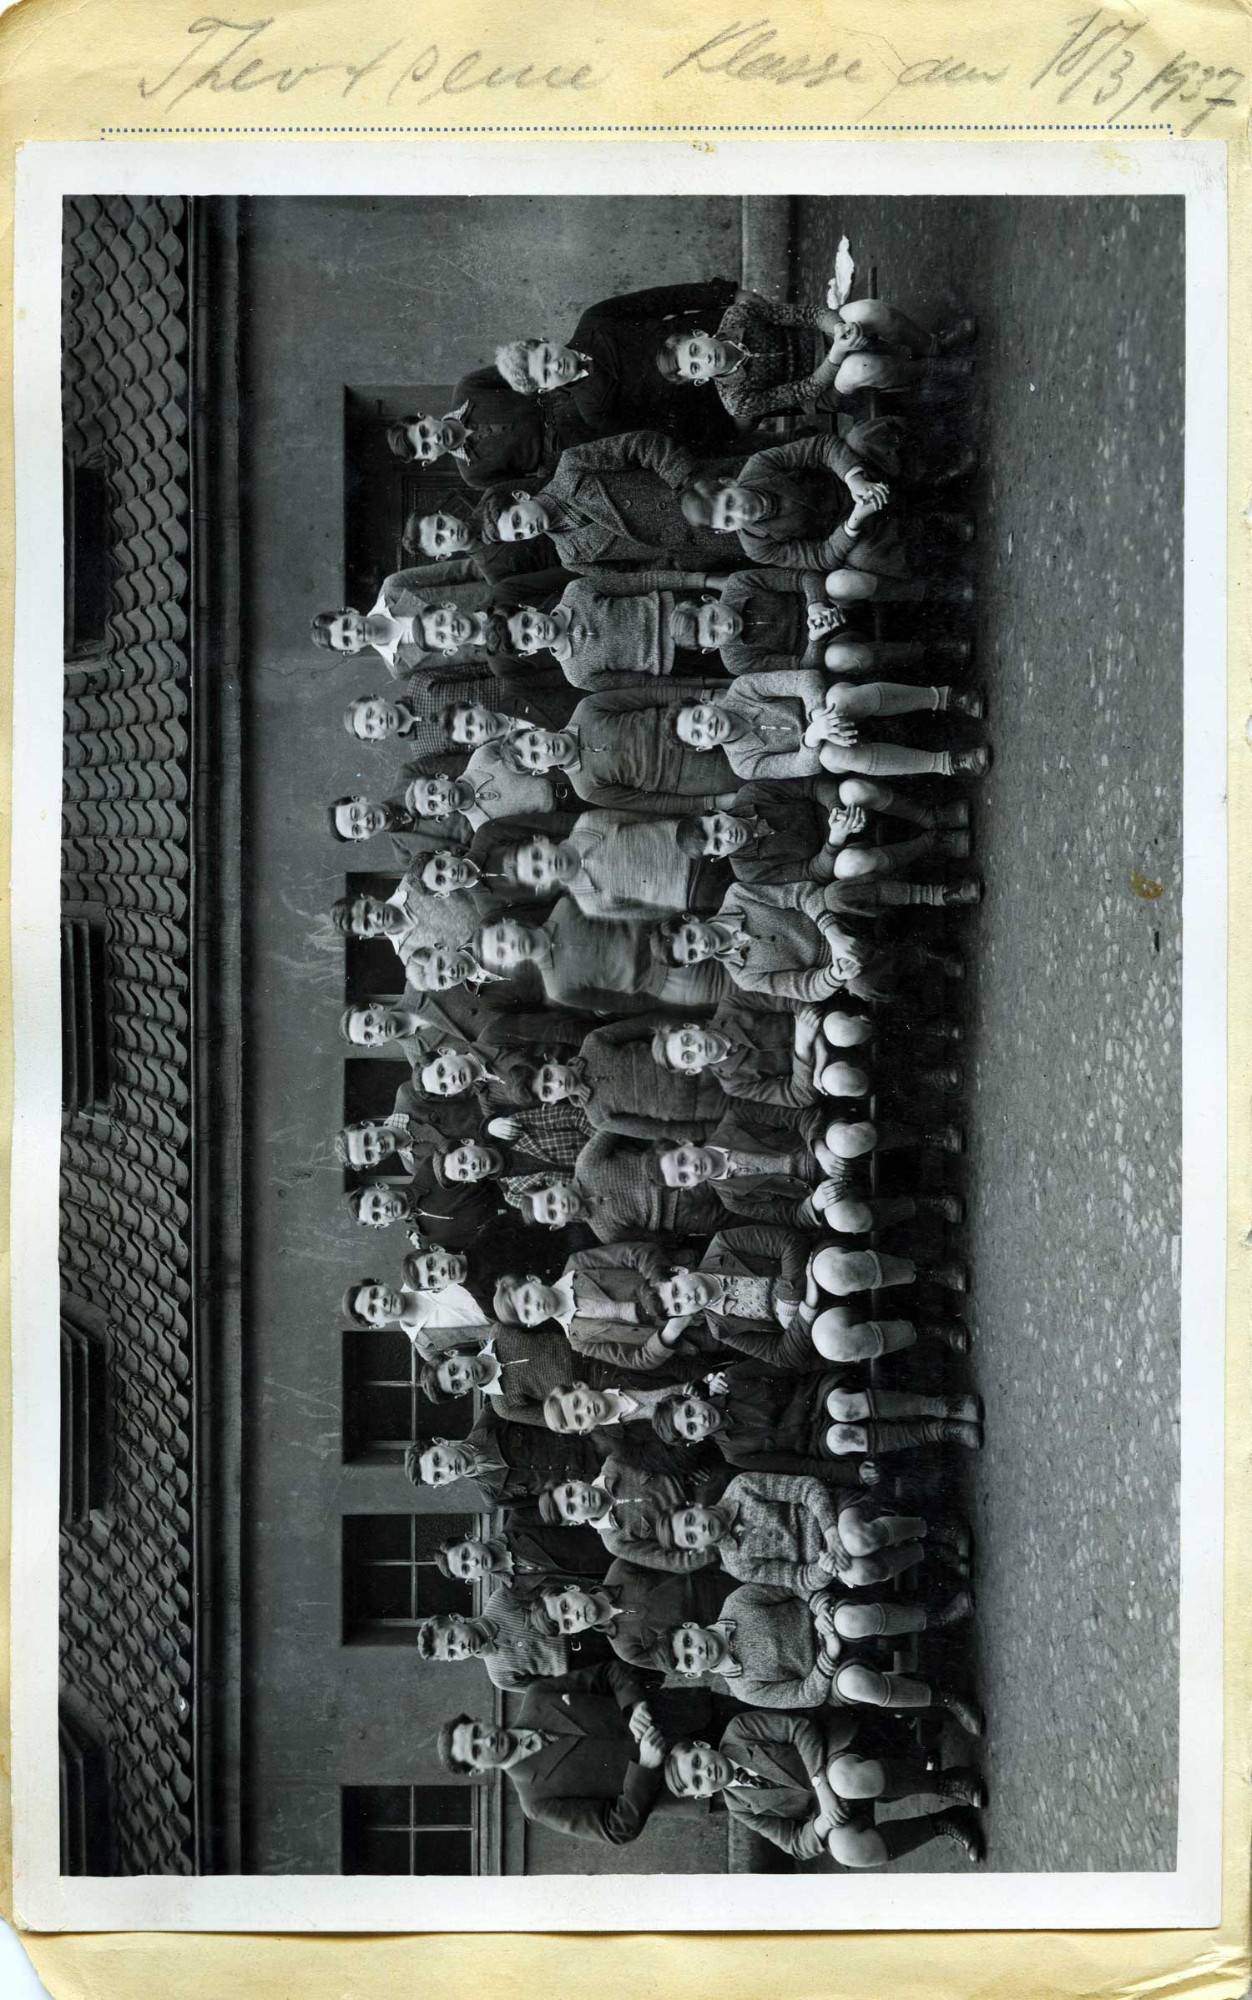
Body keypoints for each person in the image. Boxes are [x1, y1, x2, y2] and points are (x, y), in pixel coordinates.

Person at [436, 1662, 724, 1846]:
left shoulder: (538, 1695)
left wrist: (634, 1704)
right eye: (476, 1750)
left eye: (477, 1732)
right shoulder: (536, 1802)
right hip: (697, 1784)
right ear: (477, 1769)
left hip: (695, 1713)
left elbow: (610, 1672)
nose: (486, 1741)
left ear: (480, 1721)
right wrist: (646, 1768)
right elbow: (617, 1829)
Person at [665, 1709, 985, 1865]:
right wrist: (822, 1822)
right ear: (703, 1794)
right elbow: (793, 1843)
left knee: (844, 1780)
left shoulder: (739, 1732)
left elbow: (800, 1730)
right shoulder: (739, 1806)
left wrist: (822, 1787)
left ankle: (946, 1782)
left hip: (836, 1753)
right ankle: (945, 1822)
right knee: (847, 1850)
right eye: (698, 1781)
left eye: (697, 1762)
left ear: (702, 1745)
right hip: (832, 1809)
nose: (706, 1772)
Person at [660, 286, 976, 427]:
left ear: (699, 335)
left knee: (869, 311)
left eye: (695, 350)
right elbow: (804, 390)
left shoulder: (737, 316)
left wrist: (838, 329)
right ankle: (930, 369)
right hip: (824, 388)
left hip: (825, 336)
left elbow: (808, 314)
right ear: (699, 380)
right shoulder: (736, 401)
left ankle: (932, 345)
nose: (705, 359)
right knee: (860, 366)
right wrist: (838, 354)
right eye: (695, 367)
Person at [495, 279, 741, 447]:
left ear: (545, 341)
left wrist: (728, 294)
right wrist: (733, 426)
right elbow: (668, 431)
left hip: (722, 329)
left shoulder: (595, 321)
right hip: (729, 393)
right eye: (546, 374)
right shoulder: (595, 410)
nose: (555, 366)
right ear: (545, 389)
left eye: (547, 357)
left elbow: (663, 299)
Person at [671, 669, 988, 784]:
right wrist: (813, 736)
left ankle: (945, 698)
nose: (707, 726)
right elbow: (801, 767)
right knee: (831, 757)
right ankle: (947, 764)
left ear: (705, 704)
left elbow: (804, 679)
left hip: (830, 705)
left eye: (698, 716)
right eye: (698, 733)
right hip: (825, 750)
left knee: (841, 700)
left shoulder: (742, 689)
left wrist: (817, 716)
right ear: (704, 746)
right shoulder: (743, 764)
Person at [480, 430, 738, 570]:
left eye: (517, 520)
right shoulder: (571, 557)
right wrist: (683, 560)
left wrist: (687, 485)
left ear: (521, 496)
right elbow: (637, 575)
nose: (527, 530)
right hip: (709, 542)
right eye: (519, 535)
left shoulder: (572, 467)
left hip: (710, 489)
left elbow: (641, 445)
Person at [651, 1369, 984, 1470]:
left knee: (843, 1407)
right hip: (816, 1441)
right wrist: (852, 1474)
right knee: (842, 1438)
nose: (700, 1419)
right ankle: (938, 1431)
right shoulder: (734, 1453)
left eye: (690, 1411)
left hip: (817, 1394)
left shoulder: (732, 1380)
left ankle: (942, 1406)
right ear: (695, 1439)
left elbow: (788, 1369)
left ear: (691, 1398)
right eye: (691, 1428)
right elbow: (798, 1466)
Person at [500, 685, 739, 815]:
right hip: (693, 775)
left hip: (691, 723)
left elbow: (651, 694)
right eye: (535, 756)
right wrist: (713, 801)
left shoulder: (587, 709)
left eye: (534, 740)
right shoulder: (586, 788)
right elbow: (654, 804)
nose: (544, 747)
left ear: (537, 729)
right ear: (540, 770)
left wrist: (704, 695)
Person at [468, 809, 727, 922]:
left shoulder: (590, 823)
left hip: (697, 840)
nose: (546, 863)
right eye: (538, 872)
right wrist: (684, 904)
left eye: (537, 855)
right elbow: (646, 912)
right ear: (543, 885)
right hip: (693, 892)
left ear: (540, 840)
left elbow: (646, 816)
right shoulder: (590, 903)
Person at [472, 907, 729, 1017]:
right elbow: (621, 1003)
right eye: (502, 953)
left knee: (733, 944)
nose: (509, 946)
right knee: (738, 988)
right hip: (673, 985)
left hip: (676, 939)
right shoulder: (557, 988)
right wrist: (658, 990)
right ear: (509, 965)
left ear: (509, 922)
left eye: (502, 937)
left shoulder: (566, 908)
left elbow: (632, 912)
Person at [492, 1245, 705, 1373]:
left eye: (527, 1297)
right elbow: (635, 1359)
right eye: (527, 1313)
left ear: (533, 1280)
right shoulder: (578, 1340)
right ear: (531, 1324)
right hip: (690, 1332)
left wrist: (660, 1288)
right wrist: (672, 1331)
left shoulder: (578, 1265)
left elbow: (637, 1254)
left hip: (685, 1285)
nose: (535, 1306)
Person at [505, 567, 715, 693]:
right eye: (527, 639)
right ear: (528, 651)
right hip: (682, 661)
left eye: (526, 621)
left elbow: (642, 581)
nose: (535, 630)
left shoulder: (576, 591)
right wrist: (709, 687)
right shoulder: (577, 674)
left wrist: (704, 580)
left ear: (529, 609)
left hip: (681, 607)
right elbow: (646, 684)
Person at [525, 1013, 729, 1140]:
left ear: (551, 1061)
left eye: (548, 1075)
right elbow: (659, 1130)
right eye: (548, 1090)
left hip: (702, 1058)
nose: (557, 1083)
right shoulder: (598, 1117)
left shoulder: (595, 1042)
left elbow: (652, 1022)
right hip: (703, 1107)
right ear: (551, 1102)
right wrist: (711, 1130)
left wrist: (702, 1029)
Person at [386, 363, 579, 491]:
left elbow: (522, 370)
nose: (434, 438)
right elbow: (529, 484)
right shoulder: (473, 475)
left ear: (425, 417)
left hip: (563, 402)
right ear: (429, 460)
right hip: (563, 454)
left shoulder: (467, 387)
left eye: (424, 431)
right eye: (426, 447)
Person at [405, 1406, 604, 1506]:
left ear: (441, 1441)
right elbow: (546, 1503)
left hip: (597, 1440)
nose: (447, 1469)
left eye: (437, 1460)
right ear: (441, 1485)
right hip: (597, 1486)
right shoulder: (493, 1496)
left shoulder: (492, 1417)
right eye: (438, 1476)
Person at [435, 1524, 611, 1586]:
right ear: (472, 1580)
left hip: (610, 1544)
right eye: (466, 1569)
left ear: (472, 1537)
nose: (473, 1562)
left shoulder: (520, 1524)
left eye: (466, 1554)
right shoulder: (518, 1593)